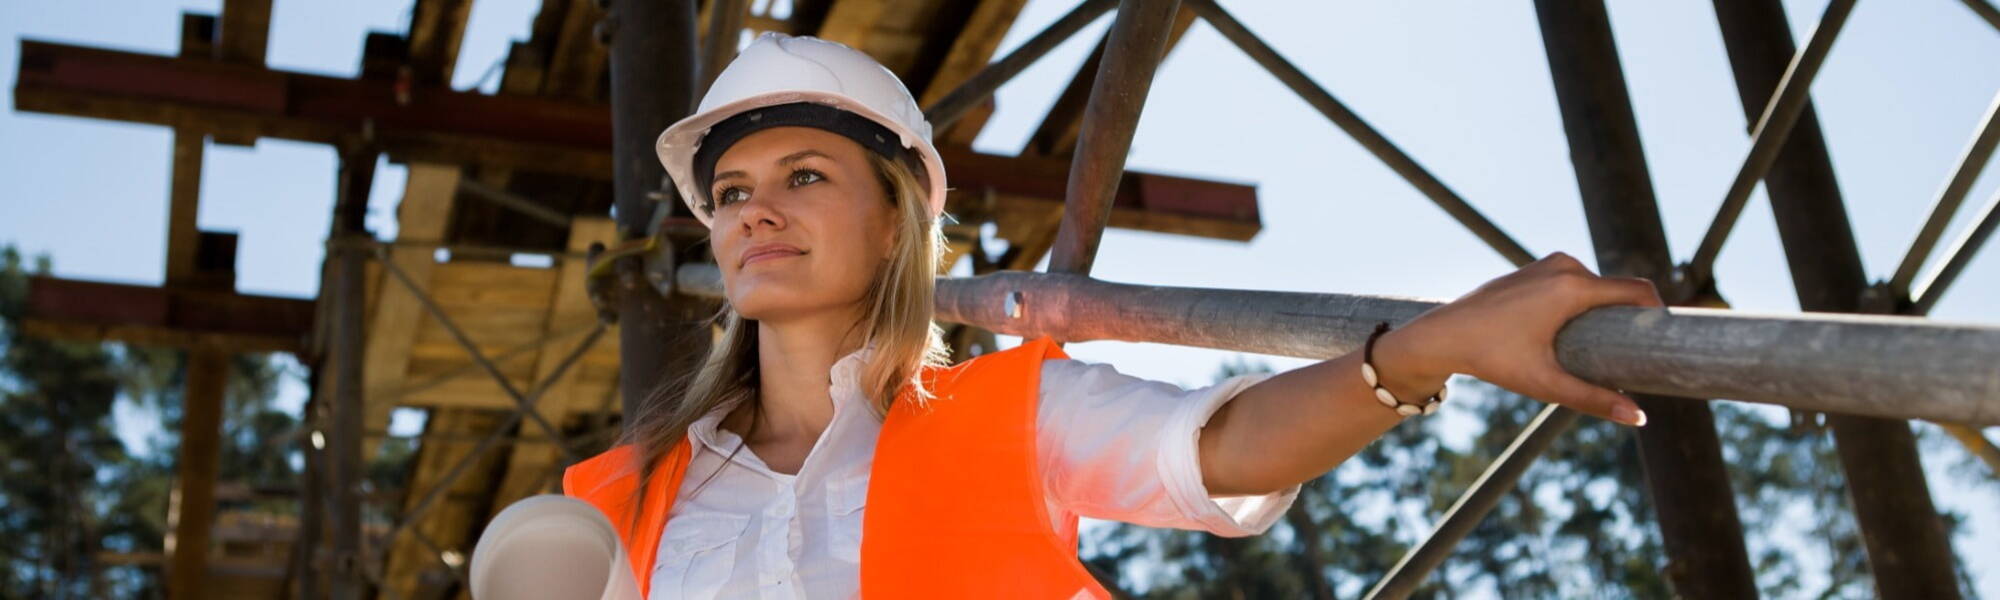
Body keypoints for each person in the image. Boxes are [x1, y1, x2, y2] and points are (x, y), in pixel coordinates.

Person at [564, 32, 1663, 600]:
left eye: (804, 176)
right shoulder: (621, 497)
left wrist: (1438, 344)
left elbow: (1219, 447)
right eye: (732, 194)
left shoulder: (1009, 416)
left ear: (896, 224)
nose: (757, 213)